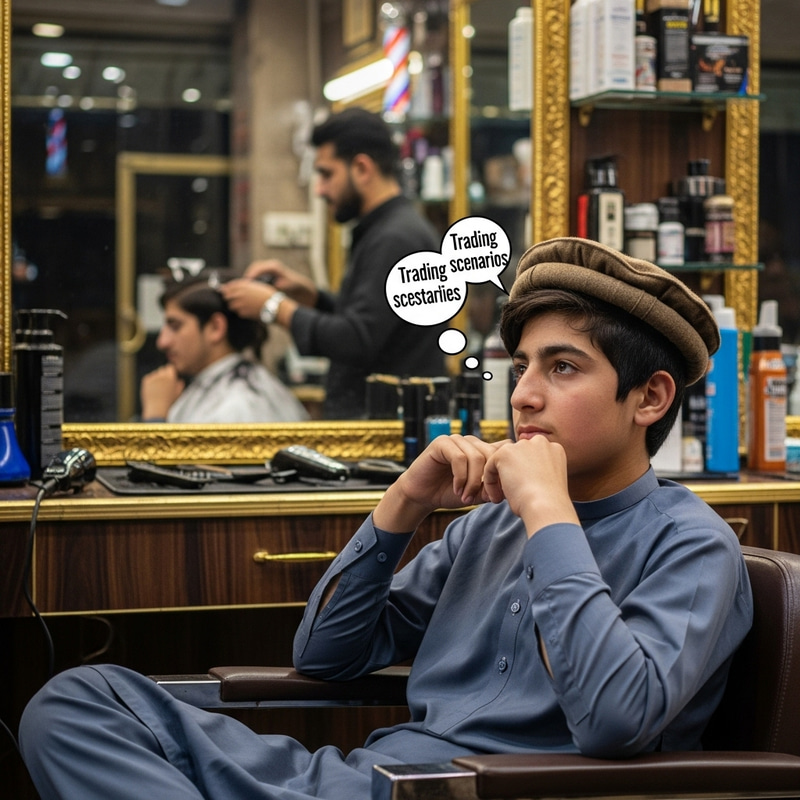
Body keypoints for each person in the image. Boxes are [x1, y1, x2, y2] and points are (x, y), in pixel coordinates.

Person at [19, 238, 753, 799]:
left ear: (650, 399)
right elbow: (326, 656)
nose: (523, 395)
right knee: (78, 700)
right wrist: (403, 501)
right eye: (521, 366)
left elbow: (616, 722)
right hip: (366, 776)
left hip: (456, 794)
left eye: (562, 368)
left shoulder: (691, 545)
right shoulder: (483, 529)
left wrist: (549, 514)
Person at [220, 107, 446, 420]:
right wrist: (312, 296)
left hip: (387, 437)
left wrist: (273, 307)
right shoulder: (387, 230)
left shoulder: (395, 238)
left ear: (362, 168)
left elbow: (357, 340)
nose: (320, 189)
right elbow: (377, 323)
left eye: (326, 174)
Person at [140, 269, 309, 424]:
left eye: (175, 326)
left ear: (216, 327)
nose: (162, 342)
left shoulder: (238, 406)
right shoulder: (215, 391)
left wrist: (155, 418)